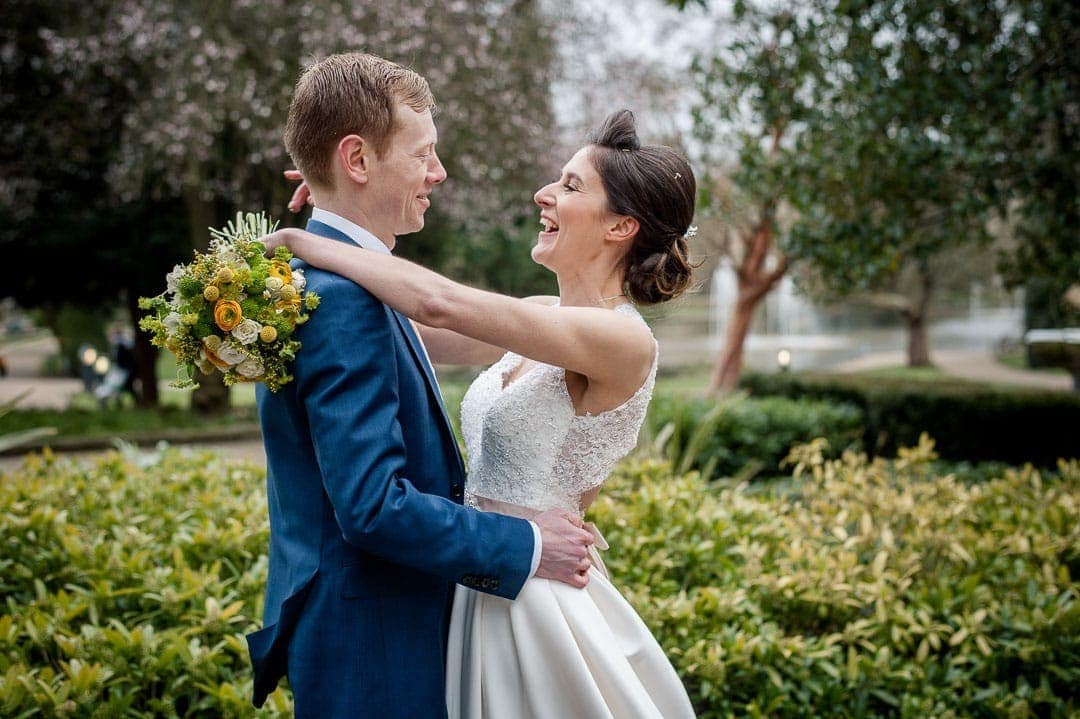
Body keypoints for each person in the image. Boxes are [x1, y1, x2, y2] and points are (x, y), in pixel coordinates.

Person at [268, 108, 698, 718]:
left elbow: (438, 304)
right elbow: (392, 327)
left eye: (571, 187)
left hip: (541, 596)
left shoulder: (622, 341)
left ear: (620, 227)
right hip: (480, 581)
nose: (544, 193)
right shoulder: (539, 313)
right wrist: (342, 207)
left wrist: (303, 240)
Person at [247, 52, 596, 718]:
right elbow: (372, 505)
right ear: (357, 159)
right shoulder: (343, 298)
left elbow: (461, 326)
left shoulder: (326, 283)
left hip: (364, 629)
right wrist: (526, 545)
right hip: (376, 647)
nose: (439, 173)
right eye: (424, 153)